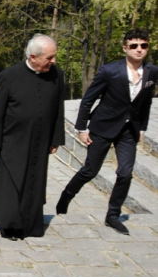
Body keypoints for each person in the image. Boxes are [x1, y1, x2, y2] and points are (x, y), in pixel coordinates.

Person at [56, 29, 157, 235]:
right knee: (90, 171)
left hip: (129, 130)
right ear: (125, 48)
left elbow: (145, 102)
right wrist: (82, 128)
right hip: (102, 127)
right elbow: (88, 99)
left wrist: (142, 128)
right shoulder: (110, 71)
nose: (139, 50)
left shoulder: (152, 72)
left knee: (125, 173)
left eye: (143, 45)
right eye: (134, 46)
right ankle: (66, 196)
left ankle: (112, 215)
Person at [0, 34, 65, 240]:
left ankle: (31, 224)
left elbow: (58, 109)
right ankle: (10, 225)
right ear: (33, 57)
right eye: (49, 57)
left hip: (40, 140)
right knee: (11, 183)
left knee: (35, 181)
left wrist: (56, 138)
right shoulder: (9, 76)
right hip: (12, 141)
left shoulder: (56, 75)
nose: (53, 61)